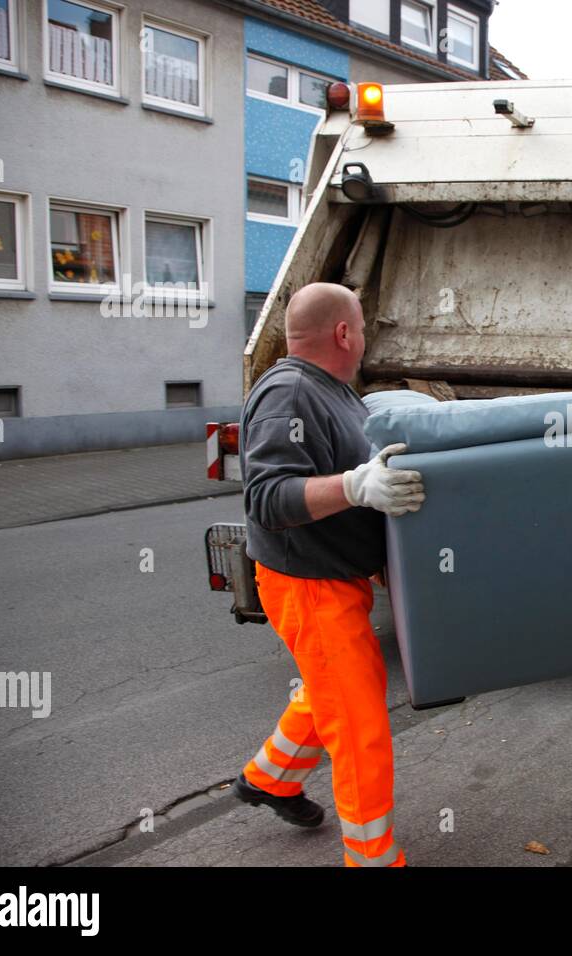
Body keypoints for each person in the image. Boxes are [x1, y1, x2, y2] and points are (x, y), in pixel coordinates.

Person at [232, 282, 425, 866]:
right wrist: (355, 485)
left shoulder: (330, 392)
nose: (364, 339)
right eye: (362, 328)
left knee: (331, 693)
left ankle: (269, 778)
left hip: (331, 579)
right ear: (344, 333)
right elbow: (266, 497)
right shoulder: (289, 394)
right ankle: (373, 859)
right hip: (307, 584)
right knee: (359, 724)